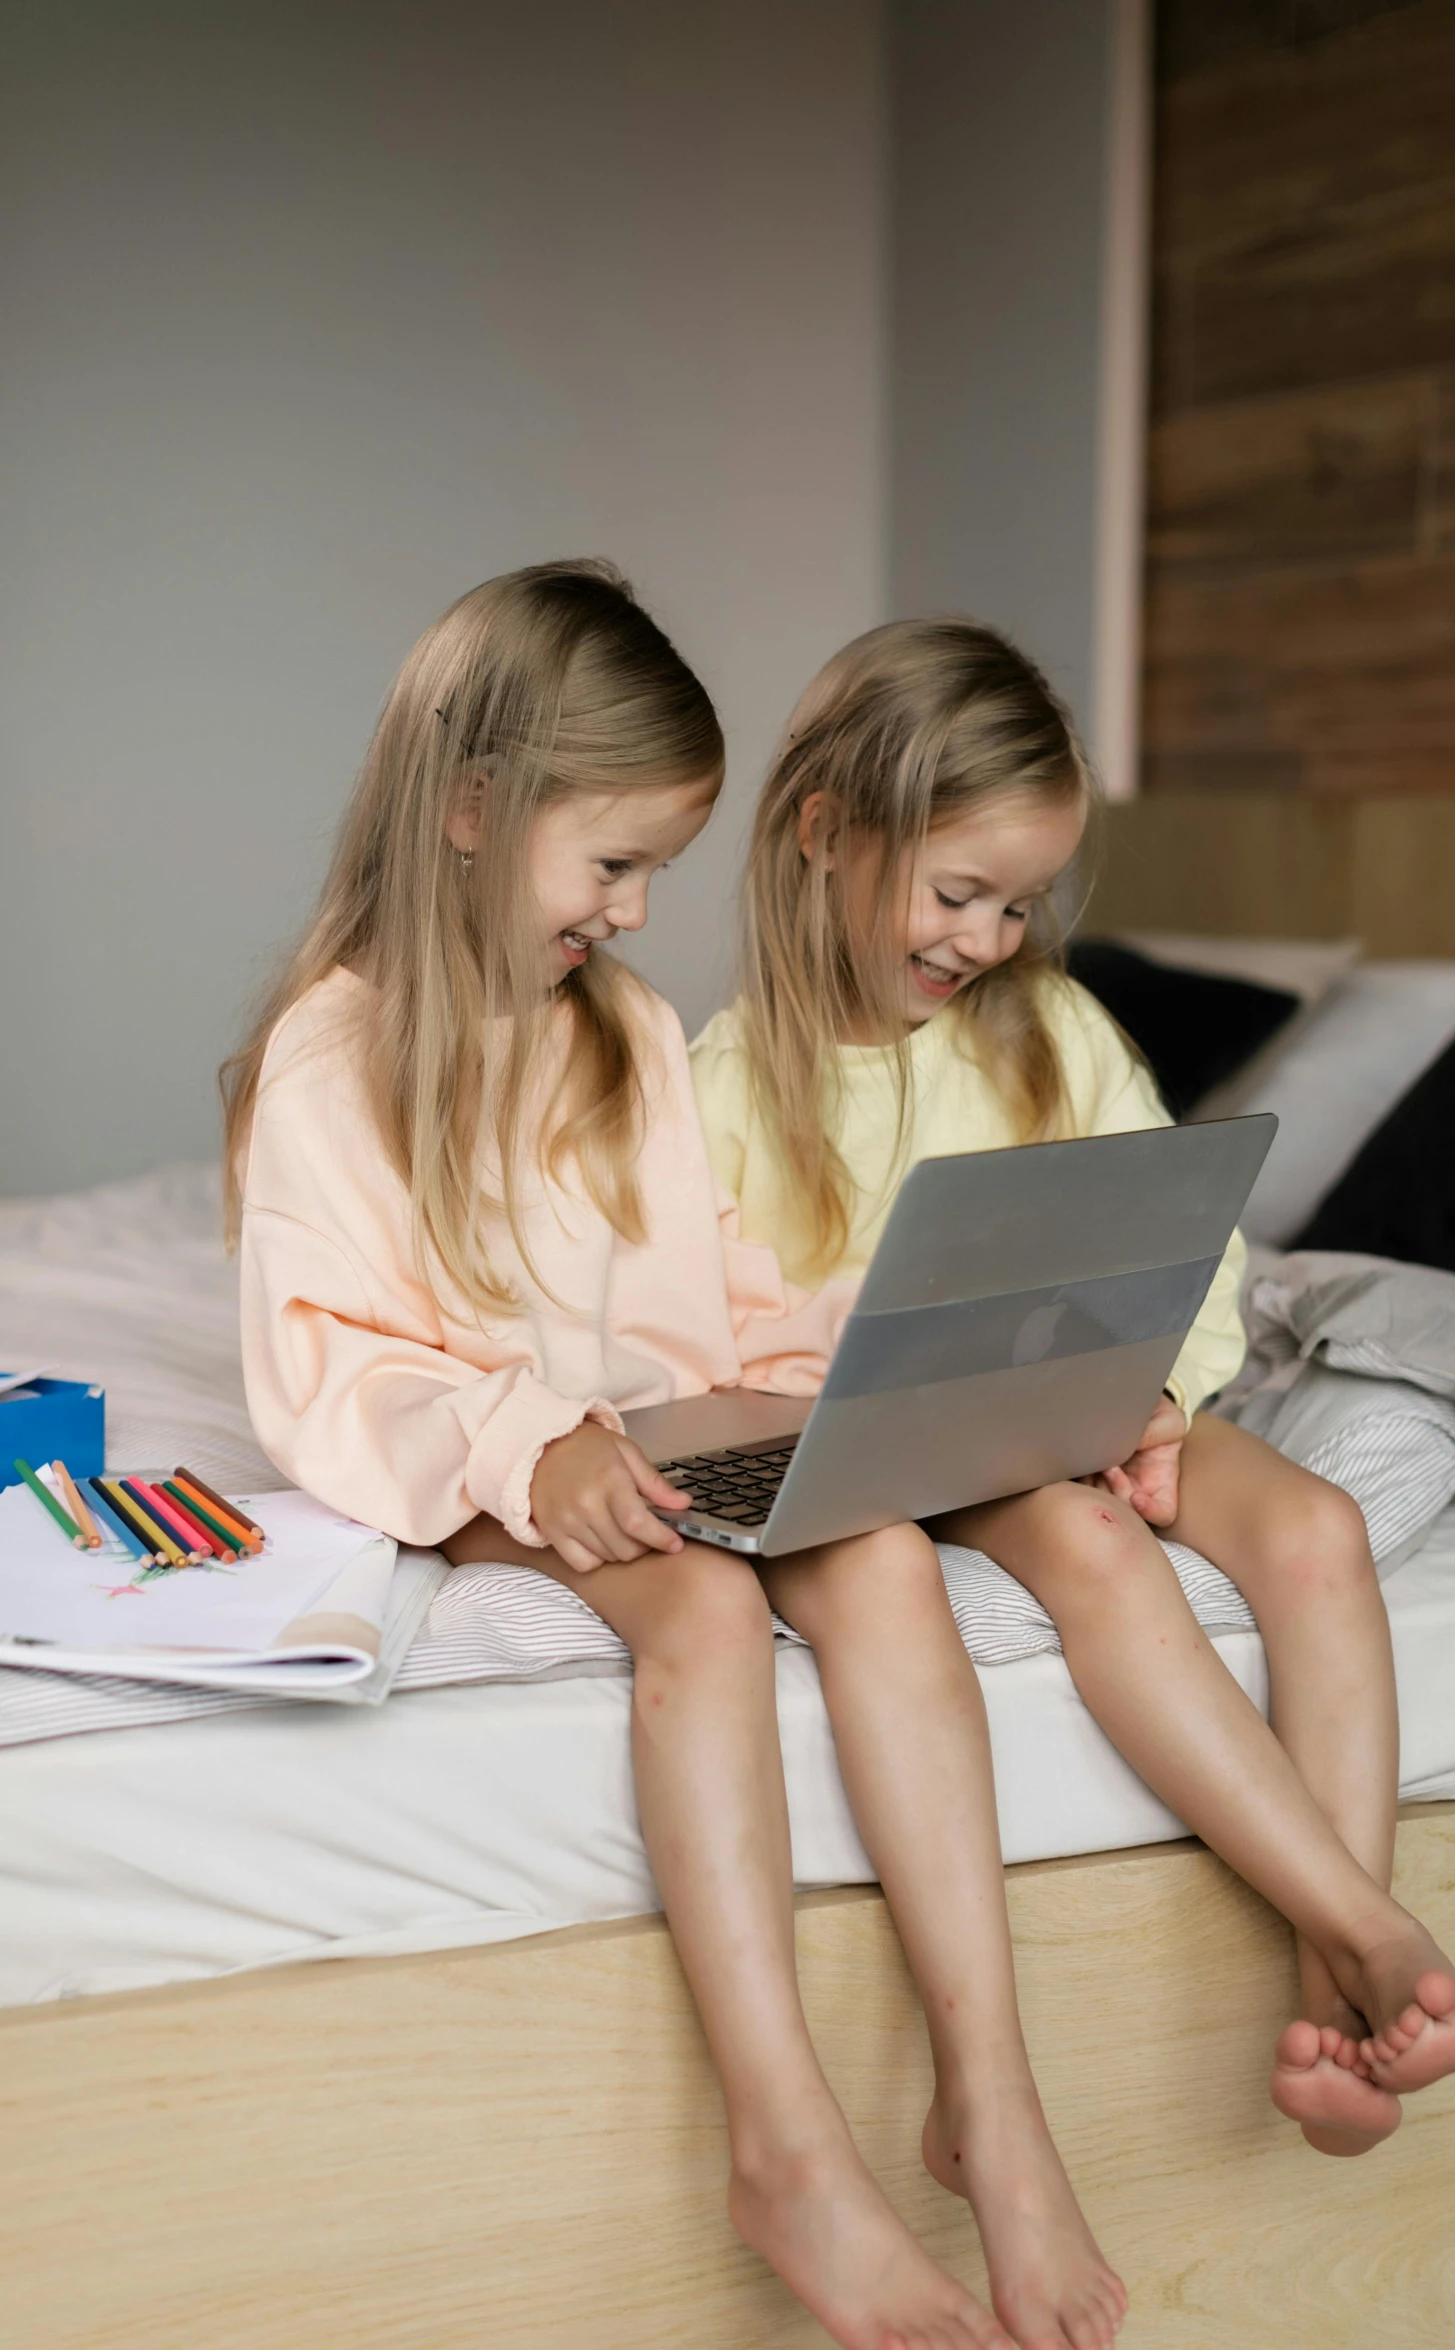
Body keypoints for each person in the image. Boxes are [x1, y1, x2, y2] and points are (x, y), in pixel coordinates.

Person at [225, 564, 1128, 2350]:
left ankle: (992, 2092)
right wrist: (525, 1439)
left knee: (872, 1551)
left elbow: (704, 1283)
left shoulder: (622, 1033)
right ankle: (787, 2146)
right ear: (473, 809)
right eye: (615, 862)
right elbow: (328, 1365)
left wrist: (841, 1370)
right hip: (492, 1460)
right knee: (703, 1623)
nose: (640, 913)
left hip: (639, 1437)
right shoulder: (335, 1057)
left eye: (655, 869)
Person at [690, 616, 1455, 2165]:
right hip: (925, 1450)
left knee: (1318, 1527)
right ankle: (1372, 1933)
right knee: (1093, 1550)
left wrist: (1161, 1398)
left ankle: (1335, 2010)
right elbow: (713, 1355)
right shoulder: (721, 1084)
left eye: (1021, 901)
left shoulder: (1052, 1027)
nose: (990, 938)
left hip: (1099, 1401)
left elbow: (1189, 1252)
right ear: (821, 833)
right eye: (958, 893)